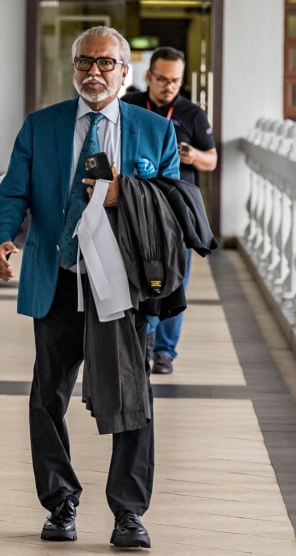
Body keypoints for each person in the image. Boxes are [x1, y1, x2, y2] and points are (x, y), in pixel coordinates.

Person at [0, 27, 179, 548]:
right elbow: (12, 193)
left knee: (131, 401)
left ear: (125, 72)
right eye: (85, 63)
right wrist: (0, 240)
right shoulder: (41, 126)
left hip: (122, 289)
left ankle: (128, 514)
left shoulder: (154, 132)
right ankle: (60, 502)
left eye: (106, 64)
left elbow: (171, 208)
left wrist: (125, 195)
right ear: (73, 68)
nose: (94, 72)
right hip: (59, 280)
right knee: (47, 398)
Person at [122, 47, 218, 375]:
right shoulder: (130, 106)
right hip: (137, 210)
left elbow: (212, 159)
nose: (168, 86)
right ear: (149, 75)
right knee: (140, 279)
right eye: (162, 79)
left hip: (176, 214)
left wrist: (192, 157)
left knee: (175, 283)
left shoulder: (192, 114)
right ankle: (141, 341)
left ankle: (164, 352)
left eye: (175, 81)